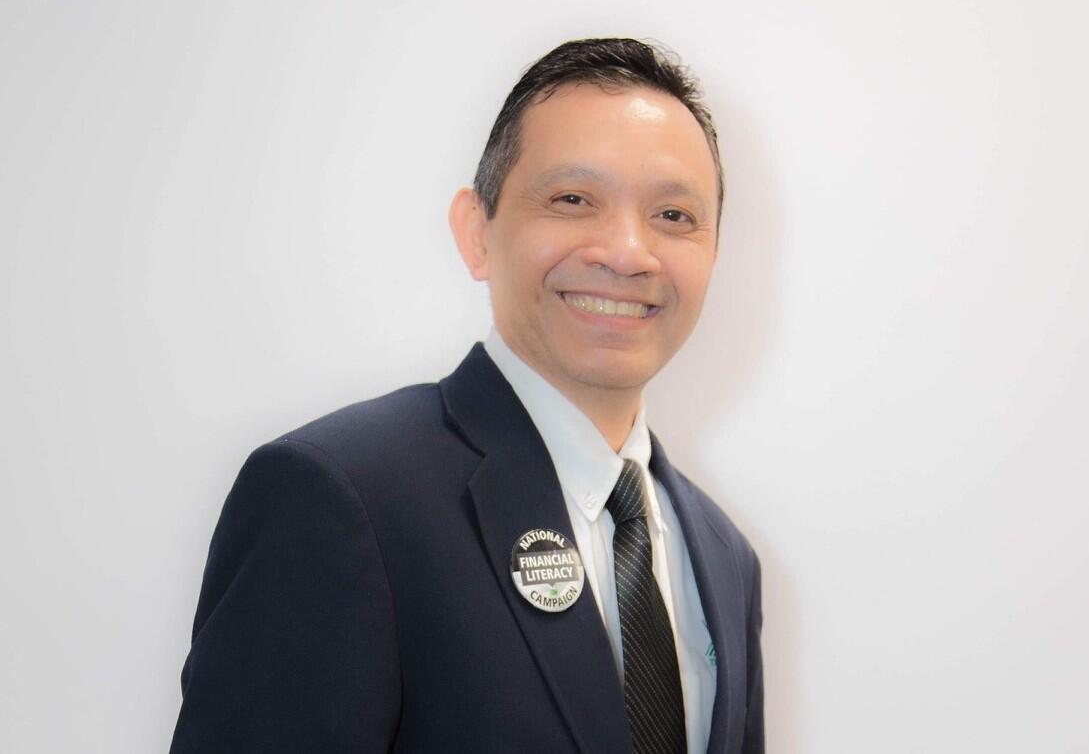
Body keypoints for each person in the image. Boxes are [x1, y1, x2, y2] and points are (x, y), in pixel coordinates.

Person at [170, 37, 763, 754]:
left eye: (674, 216)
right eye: (574, 199)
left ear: (714, 254)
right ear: (476, 232)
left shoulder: (725, 558)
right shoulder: (342, 498)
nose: (628, 252)